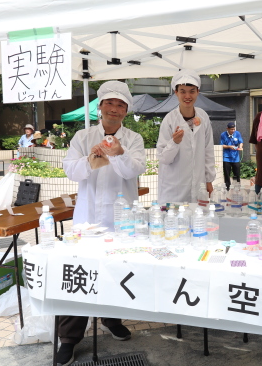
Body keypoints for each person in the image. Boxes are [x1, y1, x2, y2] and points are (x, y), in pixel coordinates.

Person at [57, 81, 146, 366]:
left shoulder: (133, 139)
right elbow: (71, 170)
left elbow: (136, 169)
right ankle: (69, 338)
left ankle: (111, 318)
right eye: (110, 103)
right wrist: (91, 156)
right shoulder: (83, 136)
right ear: (100, 107)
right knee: (79, 274)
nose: (115, 109)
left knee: (117, 271)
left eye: (121, 105)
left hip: (121, 222)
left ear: (126, 111)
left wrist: (118, 152)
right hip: (88, 218)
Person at [157, 69, 215, 203]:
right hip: (174, 189)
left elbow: (208, 151)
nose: (187, 96)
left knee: (198, 219)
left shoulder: (203, 117)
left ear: (198, 92)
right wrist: (174, 142)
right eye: (182, 91)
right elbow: (163, 158)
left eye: (192, 91)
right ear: (176, 93)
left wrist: (209, 181)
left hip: (198, 186)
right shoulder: (169, 120)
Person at [220, 122, 243, 190]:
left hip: (235, 158)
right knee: (227, 174)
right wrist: (229, 146)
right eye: (231, 129)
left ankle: (237, 187)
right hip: (226, 158)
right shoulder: (223, 135)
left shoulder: (237, 133)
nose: (233, 131)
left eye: (234, 129)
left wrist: (240, 147)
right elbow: (222, 145)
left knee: (237, 174)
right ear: (227, 129)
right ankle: (228, 188)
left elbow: (240, 142)